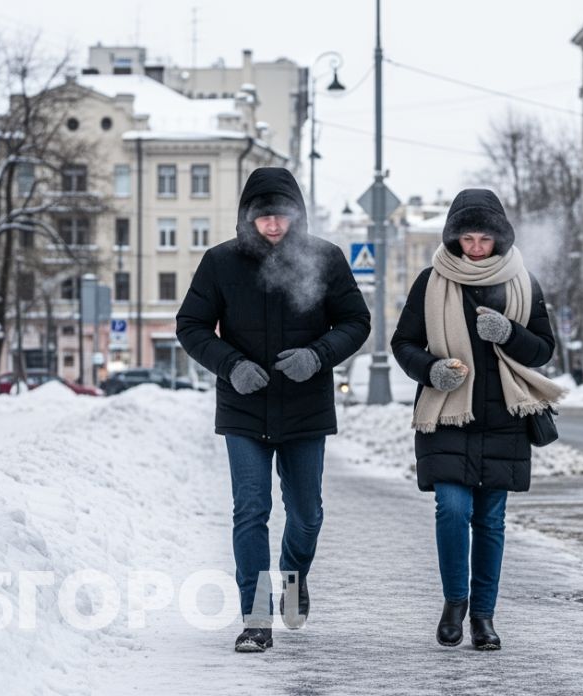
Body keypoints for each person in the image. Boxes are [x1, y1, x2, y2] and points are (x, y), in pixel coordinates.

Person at [176, 167, 371, 653]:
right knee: (251, 510)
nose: (273, 225)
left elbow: (356, 321)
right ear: (247, 217)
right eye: (263, 217)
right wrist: (231, 365)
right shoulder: (220, 262)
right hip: (244, 407)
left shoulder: (324, 258)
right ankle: (256, 618)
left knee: (306, 514)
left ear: (296, 215)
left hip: (306, 408)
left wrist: (317, 356)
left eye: (281, 216)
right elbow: (191, 325)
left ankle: (294, 577)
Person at [391, 188, 565, 651]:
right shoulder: (431, 282)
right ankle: (455, 602)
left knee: (490, 521)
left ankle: (484, 618)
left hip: (505, 420)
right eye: (466, 238)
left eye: (484, 239)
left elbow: (543, 350)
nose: (475, 248)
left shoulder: (523, 282)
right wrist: (431, 369)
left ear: (499, 238)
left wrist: (509, 333)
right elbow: (403, 344)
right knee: (451, 510)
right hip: (447, 416)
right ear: (454, 238)